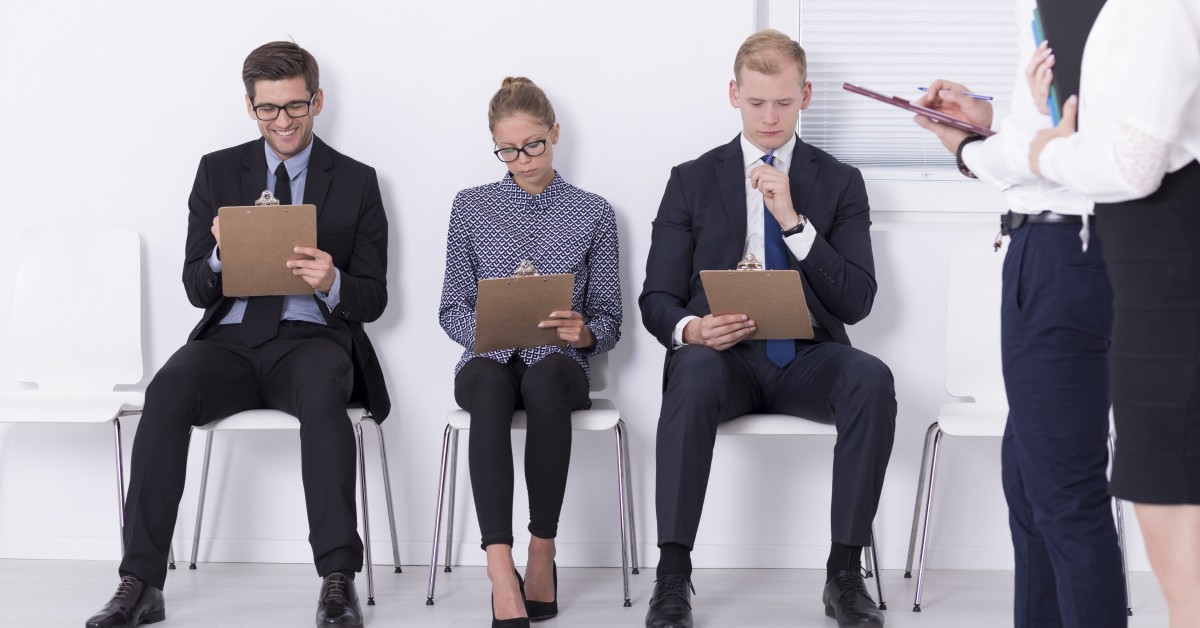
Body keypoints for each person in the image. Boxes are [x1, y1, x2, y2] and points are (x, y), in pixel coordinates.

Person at [84, 41, 389, 628]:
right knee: (167, 391)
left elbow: (373, 299)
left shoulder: (355, 181)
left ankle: (336, 580)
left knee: (324, 392)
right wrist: (222, 256)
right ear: (250, 107)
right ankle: (140, 582)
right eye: (268, 109)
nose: (283, 121)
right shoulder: (218, 171)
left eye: (295, 106)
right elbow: (196, 287)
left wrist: (333, 281)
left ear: (317, 100)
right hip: (227, 344)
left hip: (310, 342)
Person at [639, 29, 895, 628]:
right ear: (734, 94)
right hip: (722, 361)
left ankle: (843, 574)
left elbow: (857, 301)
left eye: (783, 102)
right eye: (757, 102)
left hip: (809, 357)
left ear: (805, 95)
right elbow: (656, 298)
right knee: (692, 368)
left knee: (871, 377)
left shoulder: (840, 182)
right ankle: (672, 577)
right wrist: (693, 329)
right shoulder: (691, 179)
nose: (770, 116)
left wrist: (794, 222)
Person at [910, 1, 1129, 626]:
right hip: (1078, 250)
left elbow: (1054, 150)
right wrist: (995, 122)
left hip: (1062, 254)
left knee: (1063, 492)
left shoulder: (1068, 7)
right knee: (1031, 479)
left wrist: (969, 147)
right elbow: (1062, 126)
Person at [1026, 1, 1200, 626]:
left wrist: (1047, 153)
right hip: (1148, 283)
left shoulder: (1158, 7)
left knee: (1170, 491)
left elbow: (1135, 163)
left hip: (1173, 284)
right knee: (1160, 490)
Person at [438, 76, 622, 628]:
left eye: (533, 145)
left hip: (558, 365)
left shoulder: (593, 212)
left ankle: (542, 552)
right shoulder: (471, 207)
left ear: (554, 134)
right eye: (508, 149)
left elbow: (611, 319)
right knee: (492, 387)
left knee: (543, 382)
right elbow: (450, 308)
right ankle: (499, 565)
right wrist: (489, 327)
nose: (522, 159)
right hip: (487, 361)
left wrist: (582, 330)